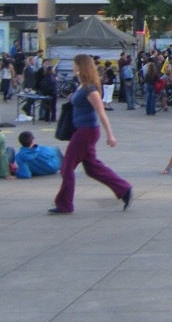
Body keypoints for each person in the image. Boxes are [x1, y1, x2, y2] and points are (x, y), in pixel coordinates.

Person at [50, 54, 133, 214]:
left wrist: (110, 135)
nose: (73, 68)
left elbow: (101, 113)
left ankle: (64, 204)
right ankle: (124, 189)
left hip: (86, 131)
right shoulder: (82, 85)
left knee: (66, 167)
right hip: (82, 129)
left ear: (81, 67)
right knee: (92, 167)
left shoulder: (90, 89)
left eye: (74, 65)